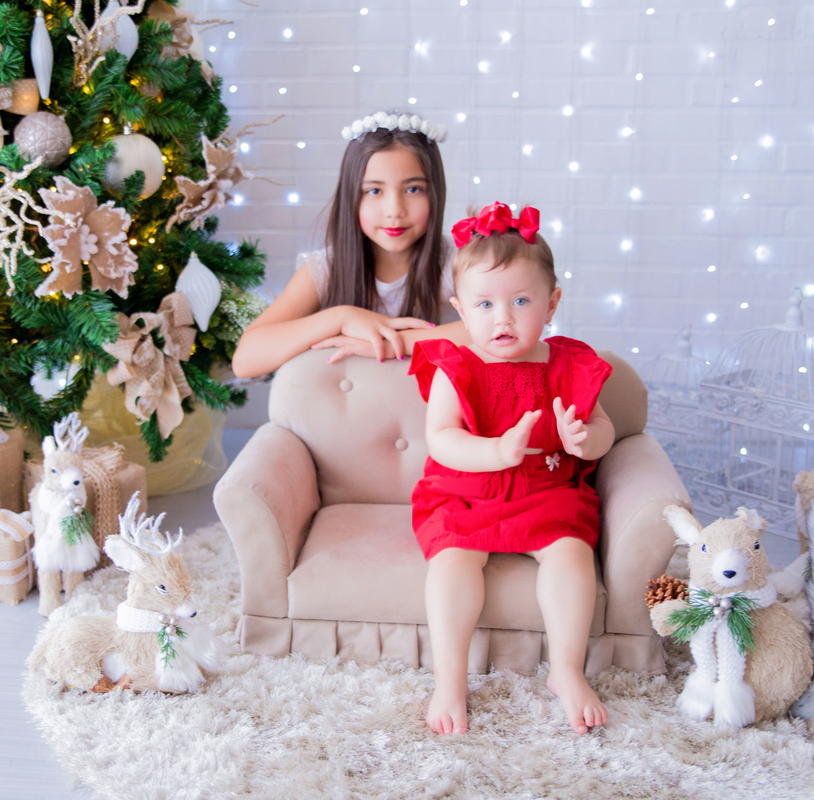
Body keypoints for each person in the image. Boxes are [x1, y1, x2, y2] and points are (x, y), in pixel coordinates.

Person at [408, 202, 615, 737]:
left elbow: (605, 428)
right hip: (468, 492)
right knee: (453, 562)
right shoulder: (456, 366)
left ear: (551, 304)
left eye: (521, 300)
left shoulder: (568, 364)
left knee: (571, 554)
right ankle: (450, 680)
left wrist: (585, 439)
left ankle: (566, 671)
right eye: (485, 304)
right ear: (460, 308)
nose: (503, 318)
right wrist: (496, 453)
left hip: (546, 490)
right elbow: (442, 438)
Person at [230, 111, 459, 379]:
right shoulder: (327, 268)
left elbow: (504, 334)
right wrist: (341, 318)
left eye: (413, 189)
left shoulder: (455, 266)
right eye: (374, 191)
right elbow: (245, 360)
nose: (394, 210)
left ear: (435, 192)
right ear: (352, 196)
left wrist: (392, 343)